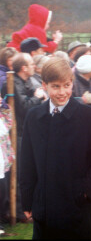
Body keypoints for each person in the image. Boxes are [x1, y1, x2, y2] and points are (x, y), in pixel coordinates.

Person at [19, 57, 91, 239]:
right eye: (56, 86)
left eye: (67, 85)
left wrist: (87, 190)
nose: (62, 92)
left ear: (72, 83)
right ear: (44, 85)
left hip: (78, 207)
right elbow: (27, 162)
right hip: (44, 207)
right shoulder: (34, 117)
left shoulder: (88, 116)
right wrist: (28, 200)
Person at [1, 53, 47, 223]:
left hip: (28, 132)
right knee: (19, 173)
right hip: (17, 134)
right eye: (31, 63)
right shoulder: (11, 83)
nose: (34, 66)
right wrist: (37, 97)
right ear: (23, 68)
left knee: (30, 170)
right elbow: (24, 108)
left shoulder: (29, 81)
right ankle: (19, 212)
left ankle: (30, 208)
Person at [0, 95, 14, 235]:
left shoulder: (2, 114)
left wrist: (3, 105)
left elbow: (9, 123)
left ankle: (1, 220)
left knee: (2, 192)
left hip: (2, 158)